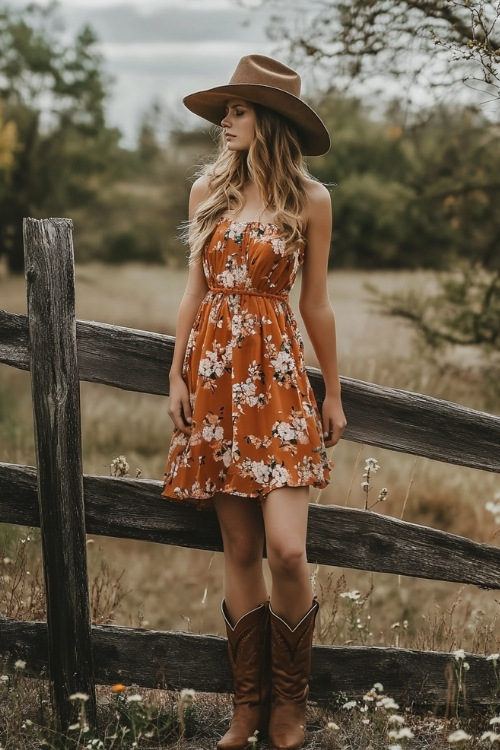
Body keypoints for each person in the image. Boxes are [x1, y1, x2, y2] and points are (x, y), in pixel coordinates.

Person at [162, 54, 346, 750]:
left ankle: (291, 703)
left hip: (278, 382)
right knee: (239, 547)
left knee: (286, 549)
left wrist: (334, 391)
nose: (225, 122)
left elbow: (317, 303)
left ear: (268, 119)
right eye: (225, 111)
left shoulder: (311, 200)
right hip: (212, 379)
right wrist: (176, 373)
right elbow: (194, 291)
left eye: (236, 111)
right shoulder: (208, 189)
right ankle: (249, 706)